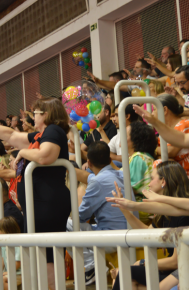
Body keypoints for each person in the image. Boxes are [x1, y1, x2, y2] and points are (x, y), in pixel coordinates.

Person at [0, 97, 71, 290]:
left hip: (48, 202)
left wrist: (22, 153)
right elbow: (10, 135)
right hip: (40, 202)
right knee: (43, 253)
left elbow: (45, 155)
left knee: (47, 252)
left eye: (36, 113)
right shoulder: (40, 135)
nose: (33, 116)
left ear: (45, 115)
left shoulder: (54, 131)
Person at [106, 161, 189, 290]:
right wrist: (124, 210)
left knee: (126, 274)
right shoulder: (164, 213)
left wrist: (143, 263)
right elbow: (146, 231)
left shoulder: (183, 215)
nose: (149, 184)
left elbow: (175, 262)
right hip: (172, 272)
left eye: (152, 178)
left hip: (180, 272)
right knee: (126, 278)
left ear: (163, 181)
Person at [67, 141, 137, 285]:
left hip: (112, 237)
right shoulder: (122, 174)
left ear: (89, 162)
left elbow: (81, 216)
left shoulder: (98, 182)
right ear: (110, 159)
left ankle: (91, 267)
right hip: (132, 232)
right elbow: (90, 177)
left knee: (66, 223)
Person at [126, 121, 158, 223]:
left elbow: (130, 187)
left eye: (125, 134)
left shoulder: (138, 158)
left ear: (134, 140)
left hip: (140, 210)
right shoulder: (142, 156)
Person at [153, 94, 189, 177]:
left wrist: (153, 148)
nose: (152, 113)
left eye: (154, 109)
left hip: (184, 175)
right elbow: (163, 154)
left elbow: (169, 152)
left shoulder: (184, 124)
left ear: (165, 110)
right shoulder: (165, 129)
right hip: (175, 173)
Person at [0, 216, 22, 290]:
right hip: (10, 272)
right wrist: (0, 272)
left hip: (19, 273)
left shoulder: (16, 244)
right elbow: (2, 260)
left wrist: (8, 272)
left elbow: (18, 263)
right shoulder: (4, 245)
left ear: (6, 232)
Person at [106, 104, 139, 168]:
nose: (114, 119)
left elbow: (134, 157)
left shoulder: (139, 133)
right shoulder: (119, 134)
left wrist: (115, 157)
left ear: (127, 116)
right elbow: (106, 152)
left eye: (117, 115)